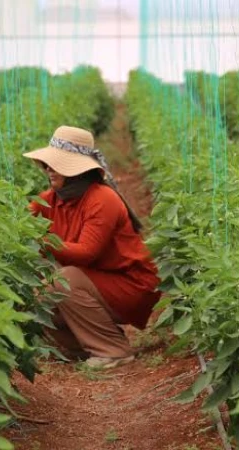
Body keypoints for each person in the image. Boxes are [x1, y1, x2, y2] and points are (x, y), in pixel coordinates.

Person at [23, 125, 161, 369]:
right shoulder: (51, 199)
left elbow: (87, 253)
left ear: (74, 170)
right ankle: (82, 346)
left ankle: (113, 350)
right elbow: (18, 224)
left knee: (62, 281)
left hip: (131, 285)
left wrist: (41, 240)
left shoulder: (102, 199)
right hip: (98, 282)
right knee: (38, 295)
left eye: (55, 164)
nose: (48, 169)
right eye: (47, 164)